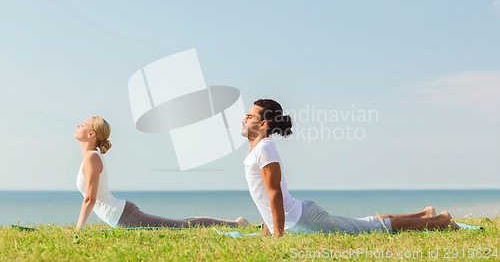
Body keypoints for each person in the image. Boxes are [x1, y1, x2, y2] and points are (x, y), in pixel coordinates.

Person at [241, 99, 459, 237]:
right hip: (298, 218)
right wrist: (267, 230)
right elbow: (265, 199)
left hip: (302, 220)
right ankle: (424, 213)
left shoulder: (265, 148)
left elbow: (274, 193)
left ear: (263, 125)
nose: (244, 118)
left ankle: (441, 221)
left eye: (250, 116)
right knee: (362, 224)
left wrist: (277, 236)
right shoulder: (256, 150)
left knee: (372, 230)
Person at [74, 115, 248, 230]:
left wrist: (78, 230)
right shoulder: (90, 158)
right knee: (181, 224)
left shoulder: (92, 158)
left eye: (81, 124)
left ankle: (236, 224)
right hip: (121, 215)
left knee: (183, 226)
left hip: (123, 216)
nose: (77, 125)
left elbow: (90, 199)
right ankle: (234, 223)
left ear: (91, 134)